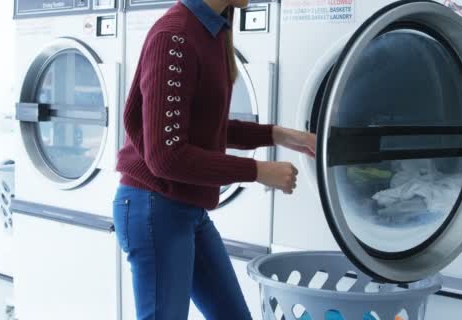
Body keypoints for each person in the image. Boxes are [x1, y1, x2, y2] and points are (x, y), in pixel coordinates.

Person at [112, 0, 316, 319]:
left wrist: (281, 135)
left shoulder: (212, 30)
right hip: (154, 208)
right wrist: (258, 170)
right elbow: (166, 156)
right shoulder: (175, 36)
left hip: (184, 208)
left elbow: (205, 127)